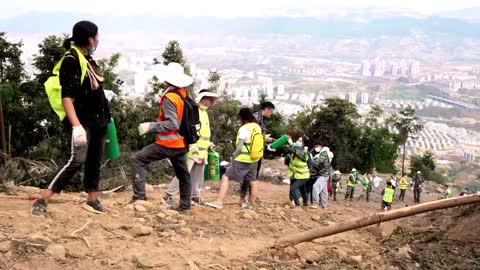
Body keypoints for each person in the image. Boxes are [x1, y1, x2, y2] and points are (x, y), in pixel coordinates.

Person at [32, 21, 111, 215]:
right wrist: (76, 127)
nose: (98, 40)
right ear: (90, 39)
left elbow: (88, 88)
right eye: (97, 37)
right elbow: (67, 97)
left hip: (98, 118)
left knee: (94, 159)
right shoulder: (71, 60)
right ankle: (43, 198)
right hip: (83, 120)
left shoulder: (87, 59)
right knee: (77, 159)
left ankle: (92, 199)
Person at [130, 62, 193, 214]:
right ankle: (185, 207)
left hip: (168, 142)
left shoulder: (169, 97)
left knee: (137, 159)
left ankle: (139, 197)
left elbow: (172, 123)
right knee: (183, 174)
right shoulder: (184, 94)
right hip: (182, 142)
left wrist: (150, 126)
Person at [161, 89, 218, 206]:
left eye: (209, 99)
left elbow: (203, 133)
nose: (207, 102)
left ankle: (195, 197)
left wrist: (208, 144)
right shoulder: (193, 111)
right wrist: (193, 145)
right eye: (205, 99)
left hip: (203, 151)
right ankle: (167, 196)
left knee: (198, 176)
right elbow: (190, 130)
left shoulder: (205, 113)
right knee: (183, 174)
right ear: (200, 98)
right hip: (193, 149)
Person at [206, 108, 262, 210]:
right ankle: (251, 205)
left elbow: (240, 147)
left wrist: (233, 156)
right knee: (253, 181)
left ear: (242, 117)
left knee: (225, 177)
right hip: (254, 159)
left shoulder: (244, 128)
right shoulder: (257, 127)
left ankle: (219, 202)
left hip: (243, 159)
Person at [285, 137, 311, 207]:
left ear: (303, 144)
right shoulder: (295, 151)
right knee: (302, 190)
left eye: (300, 141)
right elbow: (288, 149)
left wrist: (291, 143)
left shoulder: (303, 152)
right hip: (297, 175)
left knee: (293, 189)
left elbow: (296, 152)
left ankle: (297, 204)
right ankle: (305, 203)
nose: (297, 142)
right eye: (297, 140)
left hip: (303, 176)